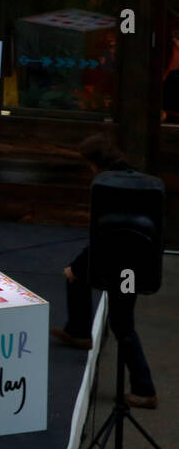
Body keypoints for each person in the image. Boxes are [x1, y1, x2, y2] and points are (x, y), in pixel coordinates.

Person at [52, 136, 157, 409]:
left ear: (94, 164)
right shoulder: (137, 181)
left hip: (119, 261)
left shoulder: (106, 187)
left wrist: (77, 266)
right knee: (76, 275)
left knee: (122, 325)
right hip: (136, 264)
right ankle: (79, 331)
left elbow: (102, 236)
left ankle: (144, 390)